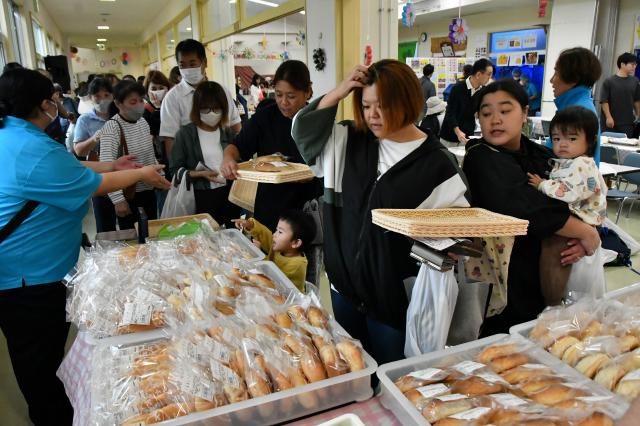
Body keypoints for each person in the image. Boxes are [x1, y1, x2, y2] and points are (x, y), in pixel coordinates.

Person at [0, 68, 169, 426]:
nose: (58, 105)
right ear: (44, 103)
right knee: (38, 362)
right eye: (55, 100)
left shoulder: (15, 134)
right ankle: (52, 417)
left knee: (42, 354)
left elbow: (68, 168)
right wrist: (139, 175)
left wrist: (114, 164)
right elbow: (86, 183)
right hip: (27, 281)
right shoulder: (30, 147)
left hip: (35, 273)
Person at [291, 59, 470, 367]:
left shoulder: (437, 165)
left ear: (407, 101)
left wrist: (446, 245)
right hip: (343, 289)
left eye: (383, 105)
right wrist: (341, 90)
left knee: (391, 378)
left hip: (394, 302)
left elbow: (459, 232)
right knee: (350, 371)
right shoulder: (346, 140)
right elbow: (301, 131)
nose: (373, 115)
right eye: (366, 104)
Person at [462, 79, 600, 335]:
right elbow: (526, 206)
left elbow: (578, 194)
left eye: (505, 110)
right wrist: (584, 233)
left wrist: (583, 235)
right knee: (509, 339)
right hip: (506, 275)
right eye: (486, 113)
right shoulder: (480, 156)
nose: (495, 120)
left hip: (546, 269)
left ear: (525, 112)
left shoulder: (541, 154)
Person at [221, 60, 322, 231]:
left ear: (308, 92)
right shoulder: (265, 118)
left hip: (308, 210)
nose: (283, 102)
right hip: (270, 208)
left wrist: (310, 174)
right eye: (278, 94)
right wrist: (228, 159)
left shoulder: (319, 120)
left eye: (291, 96)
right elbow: (237, 146)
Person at [528, 106, 607, 305]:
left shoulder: (581, 164)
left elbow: (571, 192)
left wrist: (542, 184)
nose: (562, 144)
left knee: (557, 257)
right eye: (556, 138)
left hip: (580, 220)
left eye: (572, 139)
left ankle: (554, 305)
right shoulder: (570, 162)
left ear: (589, 141)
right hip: (585, 222)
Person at [170, 81, 239, 227]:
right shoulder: (185, 135)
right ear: (197, 109)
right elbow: (174, 171)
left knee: (231, 236)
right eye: (205, 109)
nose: (211, 113)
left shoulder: (227, 132)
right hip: (201, 196)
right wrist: (199, 174)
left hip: (229, 194)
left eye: (216, 109)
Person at [160, 39, 241, 163]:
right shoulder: (172, 98)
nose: (188, 69)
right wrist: (177, 170)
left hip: (225, 163)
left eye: (192, 64)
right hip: (193, 166)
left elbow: (236, 126)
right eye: (182, 65)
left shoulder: (222, 92)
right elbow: (170, 139)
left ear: (204, 62)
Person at [100, 80, 160, 230]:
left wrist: (159, 178)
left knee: (150, 232)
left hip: (148, 190)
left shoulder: (143, 123)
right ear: (118, 103)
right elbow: (106, 166)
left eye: (141, 100)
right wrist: (118, 199)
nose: (139, 105)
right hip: (128, 193)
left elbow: (150, 156)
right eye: (133, 102)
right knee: (133, 239)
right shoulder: (112, 127)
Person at [233, 210, 316, 292]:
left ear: (296, 243)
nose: (274, 235)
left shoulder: (297, 264)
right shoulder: (282, 247)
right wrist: (250, 225)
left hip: (288, 299)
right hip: (271, 290)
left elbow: (273, 280)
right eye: (276, 230)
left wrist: (259, 256)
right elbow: (265, 234)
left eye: (280, 232)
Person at [548, 47, 602, 164]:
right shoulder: (579, 105)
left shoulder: (578, 111)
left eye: (556, 73)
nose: (551, 80)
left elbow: (553, 155)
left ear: (573, 78)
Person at [441, 58, 494, 145]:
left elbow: (479, 112)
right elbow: (450, 112)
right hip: (450, 135)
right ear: (478, 74)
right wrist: (458, 132)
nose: (490, 78)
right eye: (488, 74)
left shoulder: (483, 91)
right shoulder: (458, 88)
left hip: (468, 136)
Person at [600, 52, 640, 138]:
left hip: (627, 123)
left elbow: (637, 100)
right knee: (608, 147)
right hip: (610, 123)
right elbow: (604, 101)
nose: (634, 67)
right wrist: (608, 117)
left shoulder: (635, 81)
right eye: (632, 64)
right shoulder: (609, 81)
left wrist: (638, 115)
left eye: (635, 64)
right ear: (622, 64)